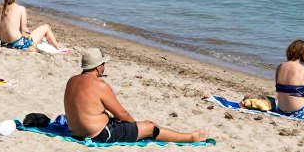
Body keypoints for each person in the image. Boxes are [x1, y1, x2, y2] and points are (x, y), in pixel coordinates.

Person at [64, 48, 208, 144]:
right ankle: (190, 137)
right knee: (150, 127)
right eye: (103, 64)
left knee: (121, 122)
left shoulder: (72, 80)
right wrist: (134, 126)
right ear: (97, 67)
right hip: (99, 134)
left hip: (76, 132)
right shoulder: (99, 84)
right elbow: (122, 113)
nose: (104, 67)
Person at [0, 0, 64, 51]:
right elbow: (23, 31)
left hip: (4, 43)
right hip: (17, 44)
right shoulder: (21, 9)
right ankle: (58, 47)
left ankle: (49, 43)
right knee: (46, 27)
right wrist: (28, 34)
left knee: (33, 34)